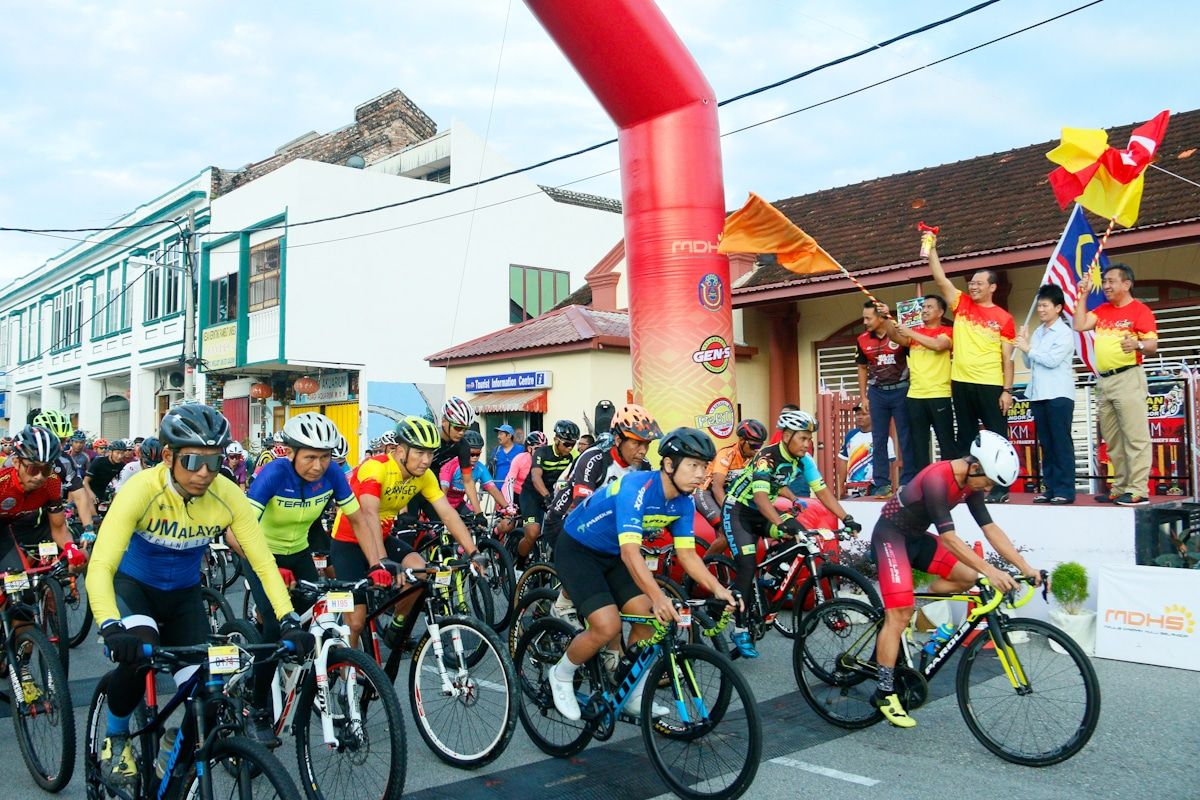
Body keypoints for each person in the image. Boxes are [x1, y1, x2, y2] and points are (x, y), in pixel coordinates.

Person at [86, 404, 312, 785]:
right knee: (137, 656)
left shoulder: (227, 494)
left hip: (184, 597)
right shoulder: (141, 490)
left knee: (207, 692)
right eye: (193, 461)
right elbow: (101, 566)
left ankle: (175, 748)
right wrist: (110, 625)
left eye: (214, 461)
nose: (205, 472)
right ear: (168, 456)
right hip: (135, 589)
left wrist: (288, 619)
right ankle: (116, 736)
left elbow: (262, 562)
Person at [548, 428, 739, 722]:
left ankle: (631, 691)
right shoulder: (636, 488)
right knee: (607, 626)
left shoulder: (683, 502)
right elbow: (630, 553)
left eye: (704, 466)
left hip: (612, 553)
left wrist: (718, 589)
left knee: (648, 618)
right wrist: (658, 596)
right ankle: (561, 674)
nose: (701, 474)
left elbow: (688, 555)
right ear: (669, 464)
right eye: (693, 465)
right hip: (578, 549)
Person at [870, 430, 1040, 728]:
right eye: (988, 482)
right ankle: (884, 692)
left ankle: (909, 614)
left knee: (966, 576)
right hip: (890, 536)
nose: (988, 489)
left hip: (916, 538)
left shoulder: (971, 483)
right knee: (898, 613)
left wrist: (1025, 567)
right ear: (975, 466)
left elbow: (990, 528)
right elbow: (949, 539)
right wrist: (992, 571)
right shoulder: (938, 477)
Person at [237, 412, 372, 745]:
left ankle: (303, 675)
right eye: (310, 457)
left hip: (298, 554)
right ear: (291, 452)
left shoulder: (333, 475)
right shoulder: (273, 474)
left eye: (325, 457)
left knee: (314, 614)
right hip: (260, 553)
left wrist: (377, 564)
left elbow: (357, 520)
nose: (318, 465)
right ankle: (257, 708)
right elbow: (240, 531)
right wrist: (267, 565)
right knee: (274, 626)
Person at [329, 416, 486, 649]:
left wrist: (473, 552)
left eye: (430, 454)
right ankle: (346, 667)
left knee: (419, 570)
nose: (426, 461)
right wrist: (381, 560)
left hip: (382, 537)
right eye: (419, 453)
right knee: (356, 623)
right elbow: (369, 513)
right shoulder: (376, 467)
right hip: (348, 541)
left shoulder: (424, 476)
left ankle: (397, 625)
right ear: (401, 450)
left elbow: (447, 514)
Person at [721, 410, 861, 658]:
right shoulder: (766, 457)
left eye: (809, 439)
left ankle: (769, 576)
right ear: (786, 436)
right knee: (747, 564)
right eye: (803, 438)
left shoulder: (804, 461)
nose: (808, 444)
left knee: (802, 535)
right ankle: (740, 628)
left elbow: (822, 491)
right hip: (739, 511)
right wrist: (779, 523)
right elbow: (760, 497)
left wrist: (846, 517)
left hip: (764, 511)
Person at [541, 406, 662, 623]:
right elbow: (582, 505)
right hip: (565, 520)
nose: (643, 450)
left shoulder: (643, 466)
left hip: (604, 526)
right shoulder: (595, 458)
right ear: (618, 439)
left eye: (647, 444)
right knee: (586, 568)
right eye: (637, 443)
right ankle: (564, 602)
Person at [928, 242, 1016, 503]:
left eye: (979, 283)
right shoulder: (961, 304)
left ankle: (1001, 487)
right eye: (972, 283)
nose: (973, 287)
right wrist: (931, 249)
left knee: (997, 436)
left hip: (990, 384)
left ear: (992, 287)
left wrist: (1007, 390)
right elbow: (940, 279)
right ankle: (964, 486)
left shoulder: (1004, 318)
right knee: (965, 436)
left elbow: (1007, 358)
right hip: (961, 382)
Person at [1074, 264, 1158, 506]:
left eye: (1111, 281)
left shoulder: (1140, 310)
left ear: (1126, 284)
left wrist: (1137, 345)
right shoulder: (1102, 310)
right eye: (1105, 281)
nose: (1106, 286)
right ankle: (1120, 486)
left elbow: (1152, 345)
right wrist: (1083, 294)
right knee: (1112, 439)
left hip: (1128, 377)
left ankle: (1138, 490)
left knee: (1135, 436)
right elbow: (1079, 325)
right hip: (1104, 380)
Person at [1015, 284, 1077, 504]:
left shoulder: (1064, 333)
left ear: (1058, 308)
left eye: (1045, 306)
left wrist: (1028, 348)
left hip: (1058, 394)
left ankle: (1065, 490)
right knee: (1047, 445)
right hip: (1039, 394)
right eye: (1039, 305)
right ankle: (1050, 488)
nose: (1040, 310)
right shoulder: (1039, 332)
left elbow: (1051, 361)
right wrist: (1025, 344)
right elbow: (1029, 363)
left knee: (1061, 443)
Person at [0, 425, 87, 575]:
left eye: (46, 469)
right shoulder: (3, 483)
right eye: (33, 469)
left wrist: (71, 548)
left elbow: (59, 527)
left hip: (4, 528)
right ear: (16, 462)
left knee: (20, 584)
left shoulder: (51, 482)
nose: (39, 477)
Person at [884, 294, 956, 470]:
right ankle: (923, 481)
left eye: (929, 307)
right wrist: (886, 316)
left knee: (946, 442)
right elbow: (894, 337)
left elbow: (938, 345)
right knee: (919, 445)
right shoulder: (915, 334)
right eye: (923, 307)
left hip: (939, 394)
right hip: (915, 396)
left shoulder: (947, 331)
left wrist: (910, 332)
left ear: (940, 312)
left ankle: (949, 478)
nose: (924, 310)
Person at [857, 301, 914, 497]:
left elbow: (914, 354)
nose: (865, 322)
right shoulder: (862, 339)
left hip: (902, 389)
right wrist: (863, 396)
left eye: (868, 318)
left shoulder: (898, 334)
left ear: (881, 317)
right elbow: (862, 367)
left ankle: (908, 481)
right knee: (878, 438)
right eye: (864, 318)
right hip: (877, 392)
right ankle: (882, 483)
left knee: (906, 436)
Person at [697, 418, 768, 548]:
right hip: (707, 492)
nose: (756, 450)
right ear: (741, 440)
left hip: (727, 494)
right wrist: (731, 511)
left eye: (760, 446)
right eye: (754, 446)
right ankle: (706, 561)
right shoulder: (727, 454)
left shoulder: (755, 458)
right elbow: (717, 488)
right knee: (726, 534)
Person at [516, 420, 579, 564]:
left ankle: (550, 564)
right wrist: (547, 497)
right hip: (531, 494)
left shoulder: (570, 458)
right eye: (567, 444)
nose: (570, 448)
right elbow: (536, 477)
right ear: (556, 439)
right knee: (533, 533)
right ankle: (519, 565)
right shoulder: (541, 452)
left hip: (550, 493)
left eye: (573, 444)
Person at [439, 429, 513, 514]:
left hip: (458, 503)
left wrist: (507, 507)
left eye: (478, 454)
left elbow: (492, 489)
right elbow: (443, 490)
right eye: (471, 454)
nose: (475, 457)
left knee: (474, 518)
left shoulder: (480, 468)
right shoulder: (451, 464)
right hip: (443, 502)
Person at [837, 405, 896, 498]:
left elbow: (890, 465)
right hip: (853, 486)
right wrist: (840, 486)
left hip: (876, 487)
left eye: (864, 414)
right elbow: (843, 460)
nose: (860, 417)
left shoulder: (884, 437)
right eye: (858, 414)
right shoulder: (850, 435)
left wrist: (887, 487)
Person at [85, 439, 130, 505]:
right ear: (110, 452)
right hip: (88, 491)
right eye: (117, 453)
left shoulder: (121, 465)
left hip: (102, 493)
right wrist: (91, 494)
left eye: (122, 453)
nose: (120, 456)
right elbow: (85, 482)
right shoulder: (98, 461)